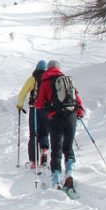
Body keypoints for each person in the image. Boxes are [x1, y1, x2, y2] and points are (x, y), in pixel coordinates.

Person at [33, 60, 84, 190]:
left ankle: (56, 180)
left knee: (56, 150)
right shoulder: (67, 80)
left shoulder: (45, 82)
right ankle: (69, 173)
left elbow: (39, 104)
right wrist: (80, 111)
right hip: (71, 116)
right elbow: (77, 98)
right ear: (58, 68)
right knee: (68, 147)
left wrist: (41, 105)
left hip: (55, 118)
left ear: (48, 69)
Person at [16, 60, 50, 169]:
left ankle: (33, 161)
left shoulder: (32, 79)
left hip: (34, 109)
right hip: (46, 109)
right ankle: (44, 150)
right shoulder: (49, 79)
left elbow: (22, 93)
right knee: (44, 133)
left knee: (33, 135)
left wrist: (20, 105)